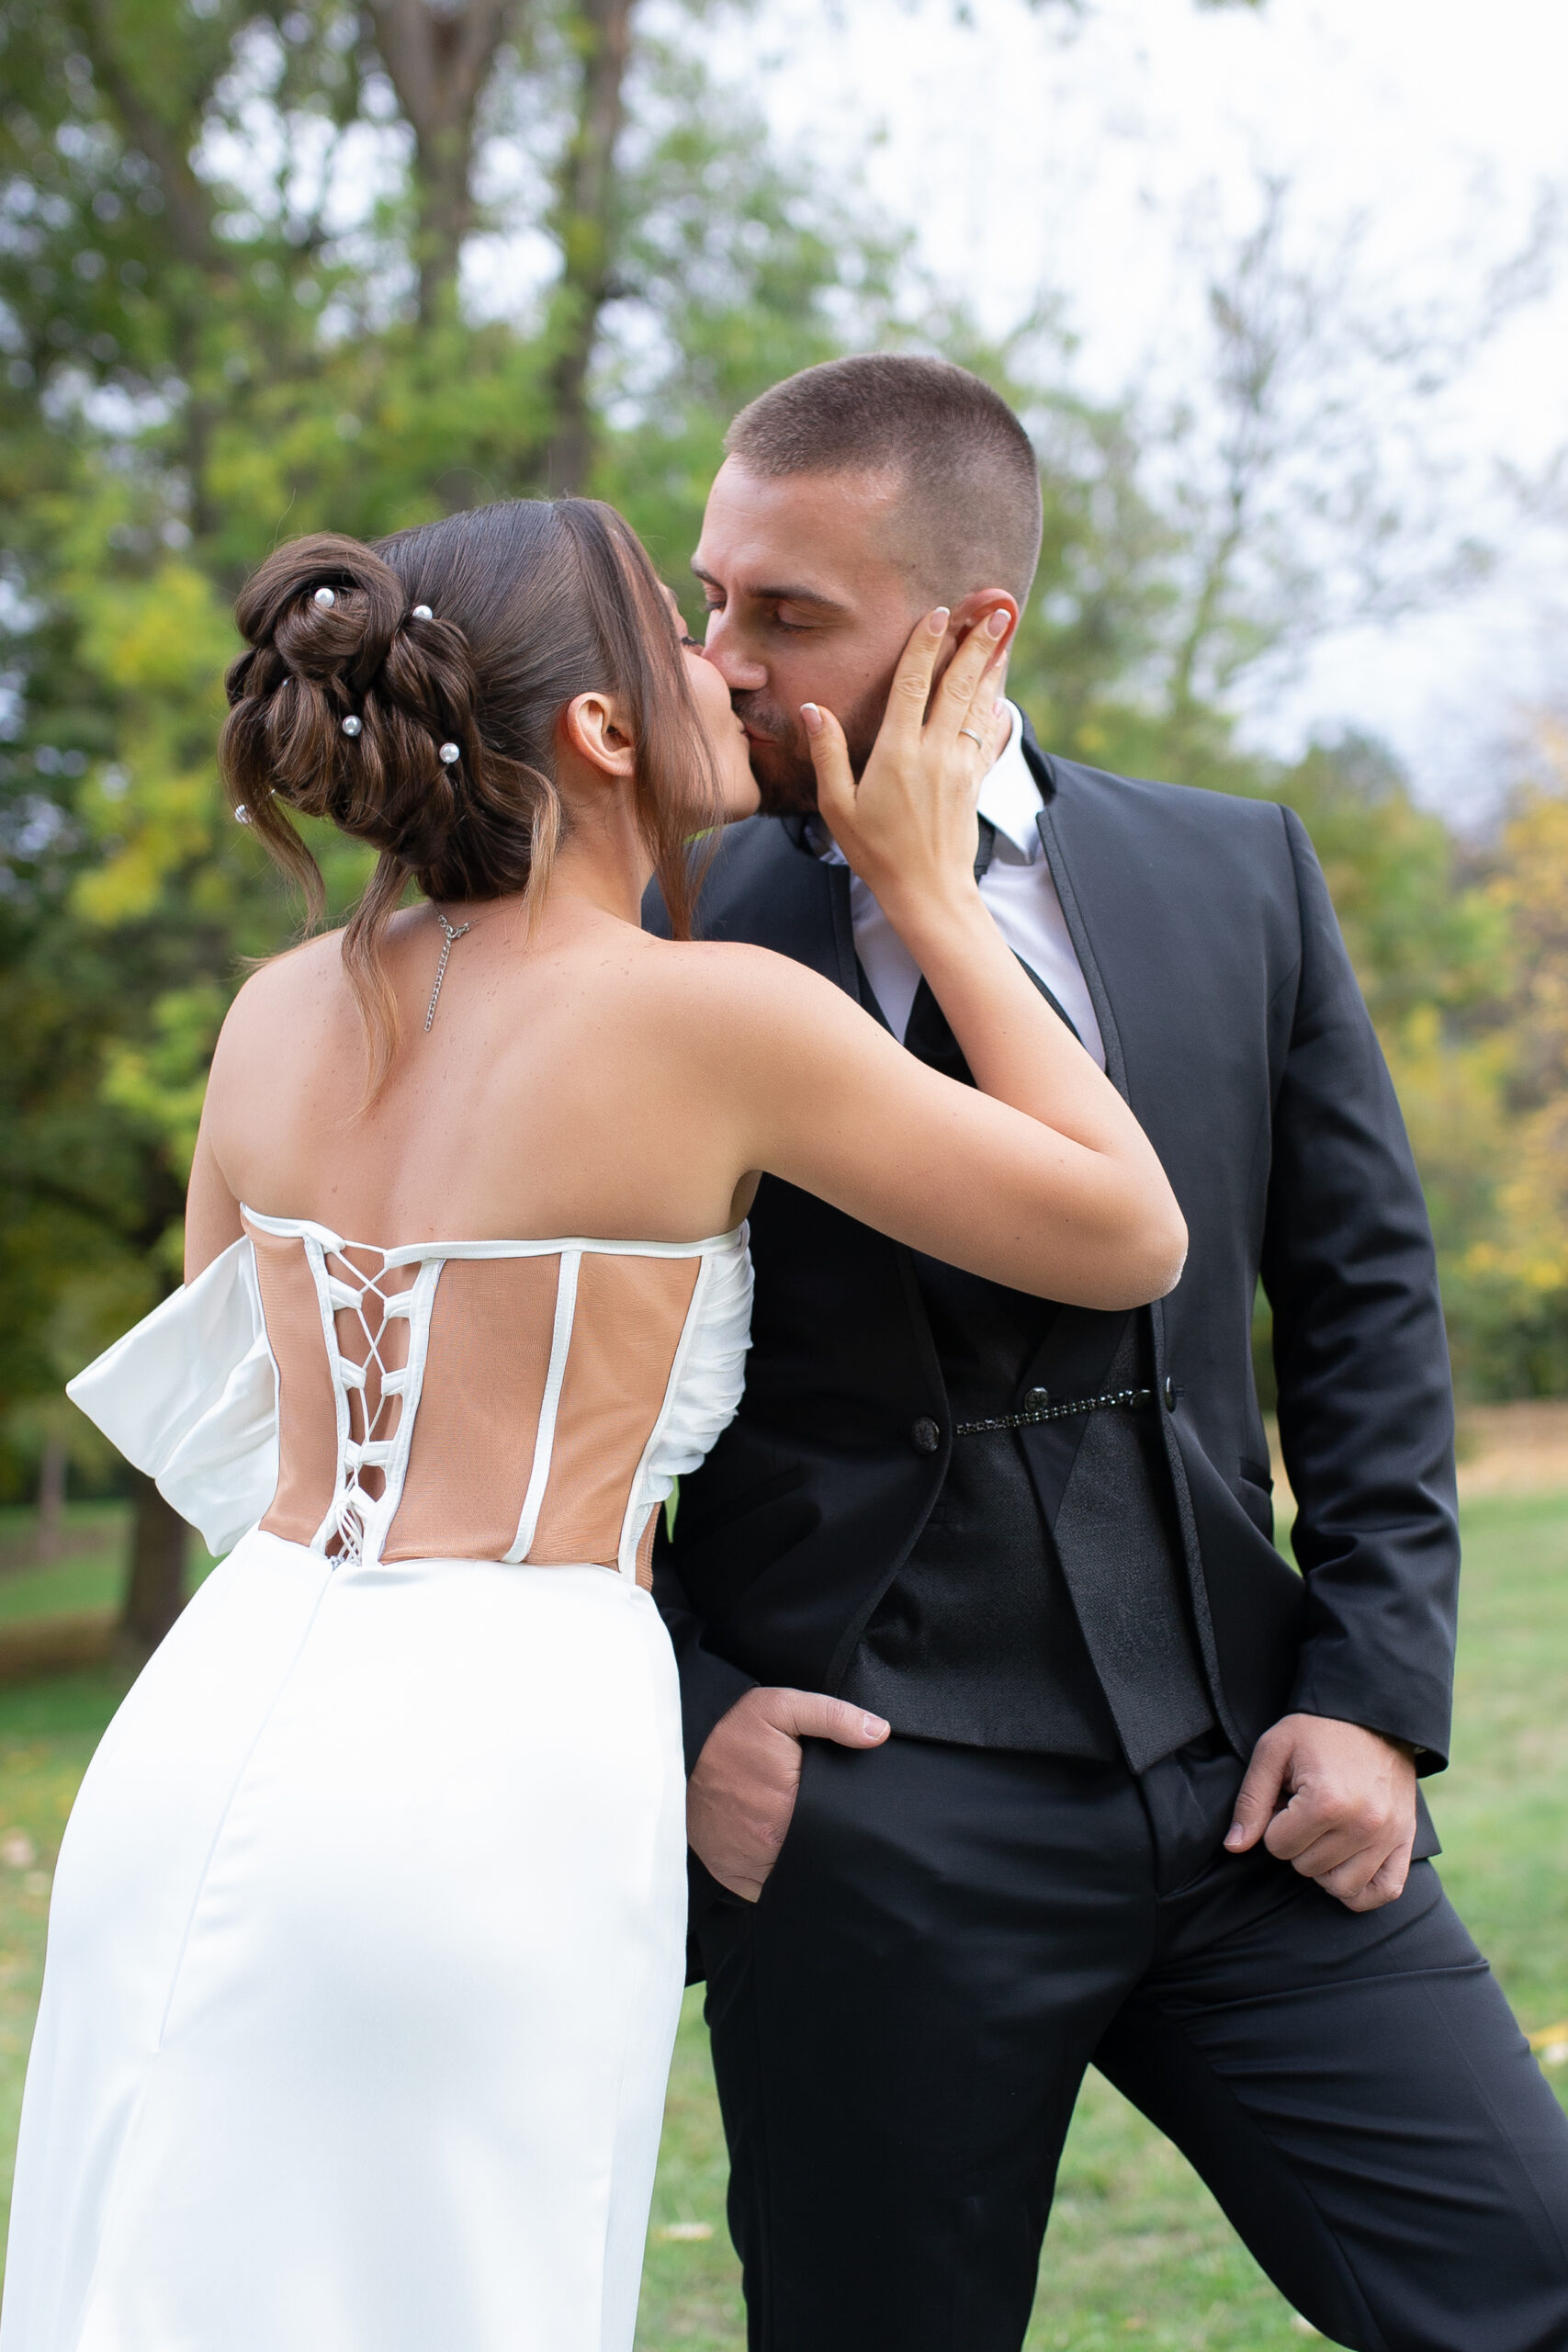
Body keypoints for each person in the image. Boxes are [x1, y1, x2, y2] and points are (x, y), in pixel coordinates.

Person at [0, 496, 1184, 2352]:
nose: (727, 665)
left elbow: (233, 1417)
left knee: (162, 2262)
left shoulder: (270, 1013)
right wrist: (936, 890)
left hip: (211, 1710)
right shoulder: (715, 1016)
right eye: (679, 630)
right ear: (604, 731)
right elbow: (1128, 1231)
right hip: (502, 1761)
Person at [648, 354, 1568, 2352]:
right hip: (865, 1822)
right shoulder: (664, 924)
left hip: (1252, 1780)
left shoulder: (1231, 871)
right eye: (708, 595)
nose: (718, 659)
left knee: (1527, 2269)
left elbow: (1361, 1308)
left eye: (785, 614)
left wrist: (1373, 1692)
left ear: (970, 628)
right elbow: (552, 1372)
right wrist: (692, 1709)